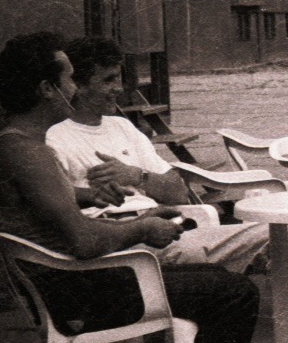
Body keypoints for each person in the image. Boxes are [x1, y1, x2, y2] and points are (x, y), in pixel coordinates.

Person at [0, 32, 262, 343]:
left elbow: (39, 206)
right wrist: (144, 228)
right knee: (234, 293)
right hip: (81, 291)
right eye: (70, 79)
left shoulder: (9, 141)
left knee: (215, 280)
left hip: (62, 284)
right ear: (46, 89)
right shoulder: (28, 152)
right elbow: (84, 239)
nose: (73, 90)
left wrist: (83, 196)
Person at [46, 37, 268, 273]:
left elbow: (179, 191)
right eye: (108, 80)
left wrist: (136, 175)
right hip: (131, 246)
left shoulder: (121, 126)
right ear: (78, 85)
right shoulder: (55, 139)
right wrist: (136, 223)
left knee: (281, 237)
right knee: (278, 237)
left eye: (119, 77)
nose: (118, 88)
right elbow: (69, 223)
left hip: (165, 230)